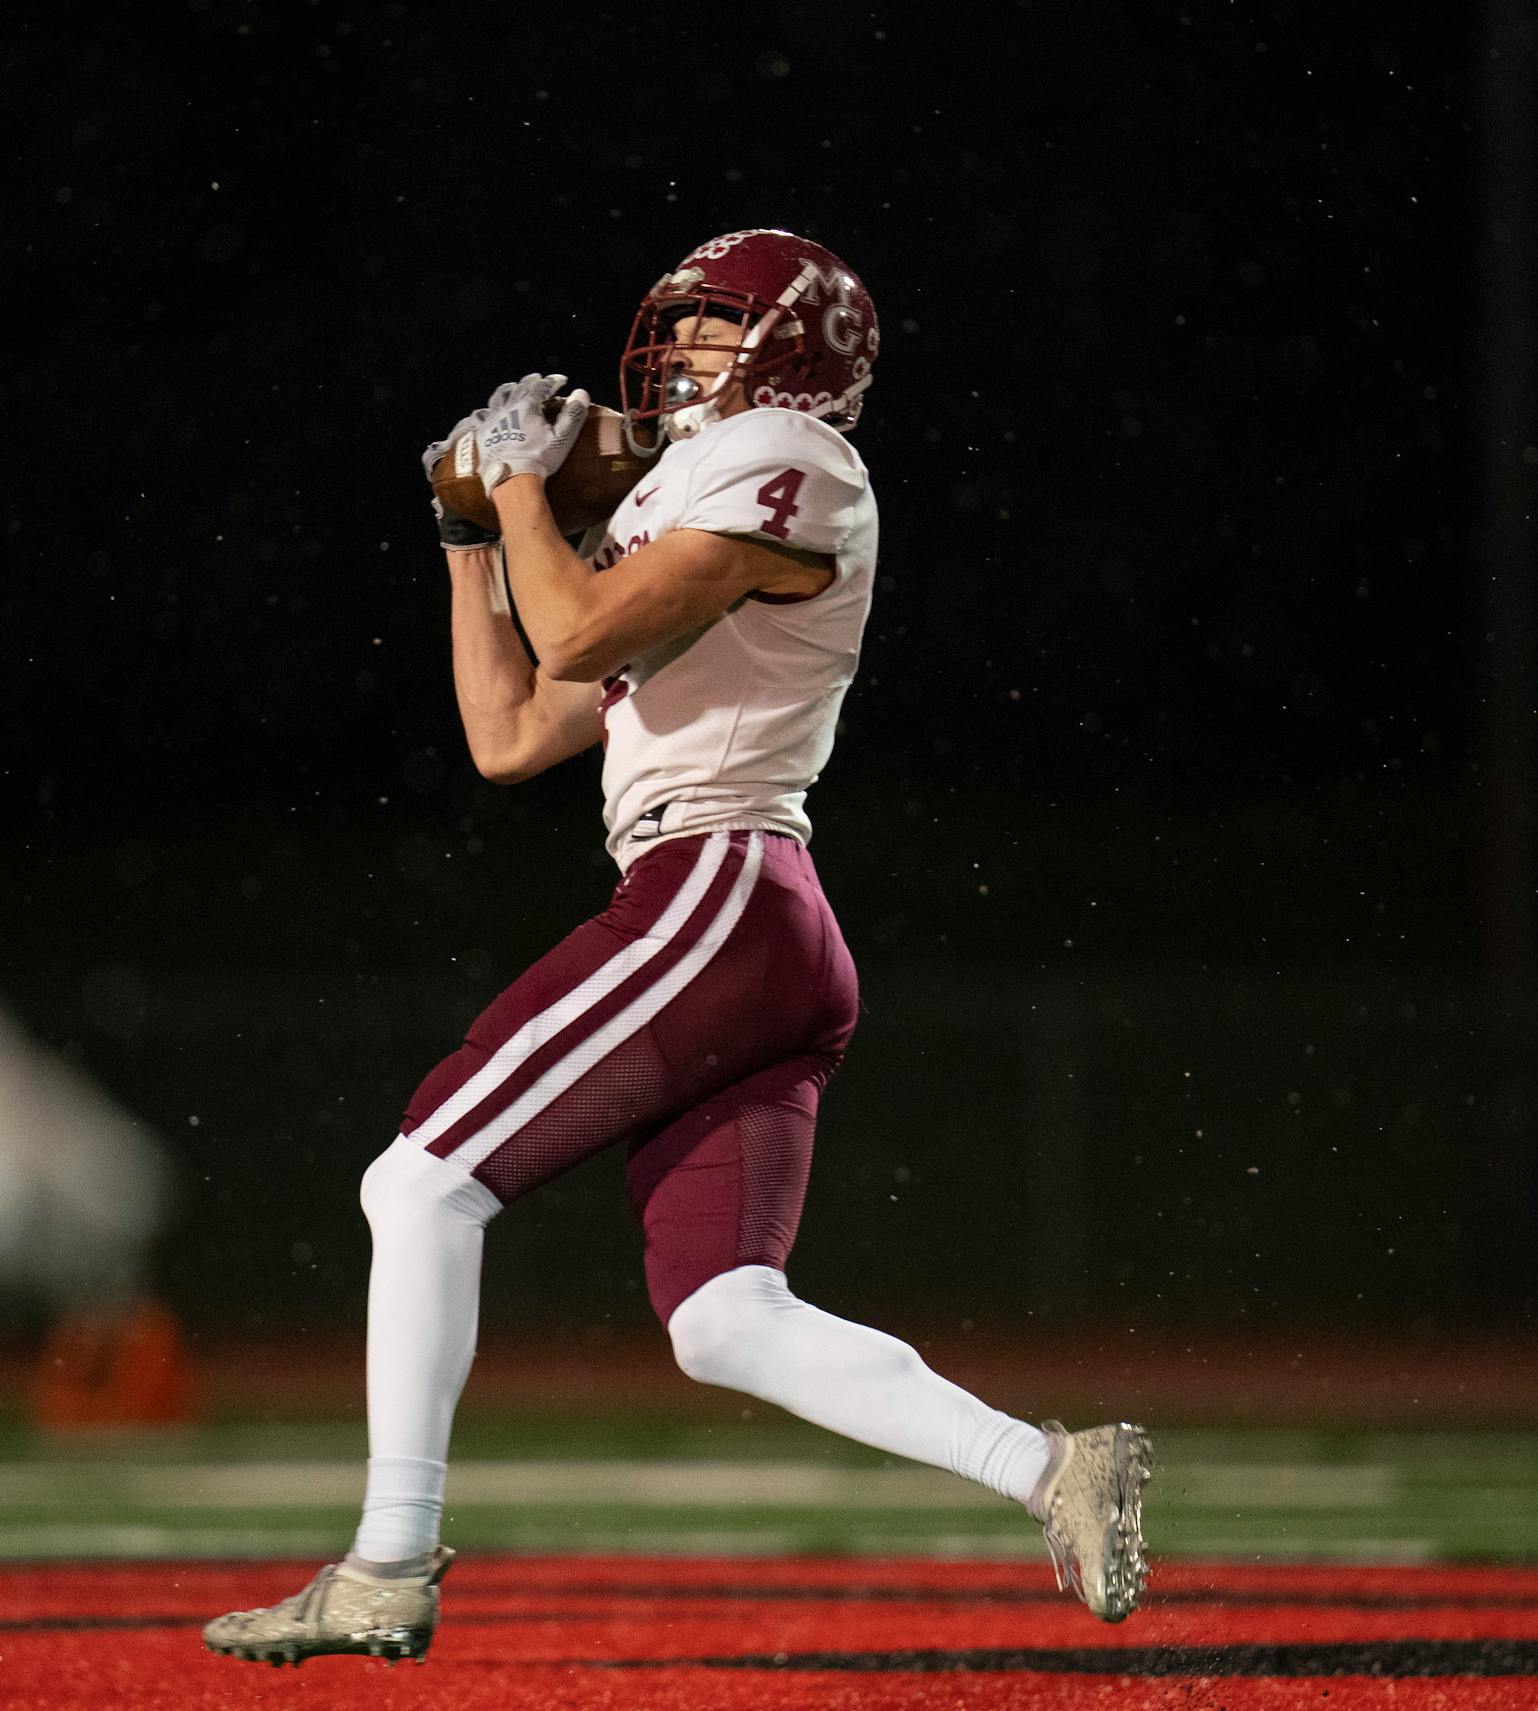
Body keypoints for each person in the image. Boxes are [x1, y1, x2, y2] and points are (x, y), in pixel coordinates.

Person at [204, 228, 1151, 1667]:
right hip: (757, 915)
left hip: (718, 884)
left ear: (791, 350)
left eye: (713, 328)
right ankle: (1048, 1468)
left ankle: (386, 1564)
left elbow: (576, 632)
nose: (681, 354)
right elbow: (514, 729)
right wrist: (474, 542)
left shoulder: (792, 451)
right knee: (723, 1319)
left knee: (421, 1183)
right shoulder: (690, 508)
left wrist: (521, 492)